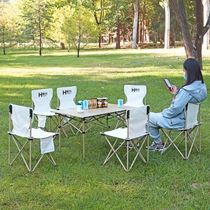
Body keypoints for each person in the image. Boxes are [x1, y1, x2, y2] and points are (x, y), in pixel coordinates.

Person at [148, 58, 207, 151]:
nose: (183, 73)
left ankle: (158, 144)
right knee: (155, 117)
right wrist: (177, 93)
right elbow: (188, 101)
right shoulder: (202, 88)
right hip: (191, 120)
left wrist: (164, 113)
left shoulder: (186, 90)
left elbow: (175, 109)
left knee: (147, 116)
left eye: (184, 70)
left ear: (188, 72)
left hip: (178, 121)